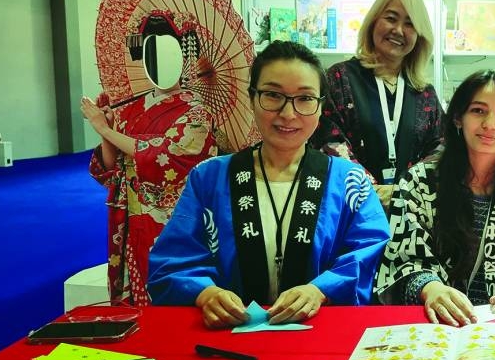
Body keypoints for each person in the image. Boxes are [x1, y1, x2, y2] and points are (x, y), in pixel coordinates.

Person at [148, 41, 390, 328]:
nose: (288, 114)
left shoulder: (350, 181)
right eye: (273, 95)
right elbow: (173, 259)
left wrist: (320, 290)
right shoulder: (209, 178)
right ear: (252, 98)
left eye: (305, 98)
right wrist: (206, 293)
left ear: (321, 107)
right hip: (227, 333)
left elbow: (370, 251)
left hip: (322, 332)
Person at [375, 70, 495, 324]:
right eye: (478, 110)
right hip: (438, 324)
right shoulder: (419, 182)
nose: (490, 124)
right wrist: (430, 287)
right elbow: (401, 259)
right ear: (458, 118)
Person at [82, 84, 217, 306]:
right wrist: (107, 129)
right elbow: (113, 165)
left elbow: (167, 156)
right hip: (132, 212)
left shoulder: (197, 111)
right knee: (137, 277)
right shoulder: (131, 108)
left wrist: (106, 131)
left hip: (171, 213)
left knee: (172, 274)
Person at [311, 0, 443, 210]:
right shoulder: (340, 77)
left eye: (410, 24)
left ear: (419, 36)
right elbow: (328, 141)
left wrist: (404, 190)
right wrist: (369, 189)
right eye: (391, 18)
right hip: (350, 207)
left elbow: (441, 147)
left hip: (409, 212)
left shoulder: (424, 92)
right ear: (373, 21)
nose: (399, 30)